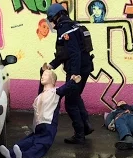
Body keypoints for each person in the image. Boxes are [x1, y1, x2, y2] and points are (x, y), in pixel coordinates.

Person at [0, 69, 81, 158]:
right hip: (42, 125)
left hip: (46, 124)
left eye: (46, 75)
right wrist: (42, 70)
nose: (42, 76)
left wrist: (73, 81)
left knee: (37, 142)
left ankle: (19, 155)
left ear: (53, 80)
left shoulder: (56, 92)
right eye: (42, 75)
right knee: (36, 142)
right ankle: (14, 154)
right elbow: (40, 86)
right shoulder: (41, 95)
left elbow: (66, 87)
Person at [41, 3, 95, 144]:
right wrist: (52, 65)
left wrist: (74, 74)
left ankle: (79, 134)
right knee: (76, 97)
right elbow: (63, 54)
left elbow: (74, 53)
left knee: (70, 103)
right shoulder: (74, 25)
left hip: (76, 70)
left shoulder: (65, 29)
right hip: (86, 66)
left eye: (52, 19)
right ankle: (86, 126)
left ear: (57, 16)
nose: (52, 23)